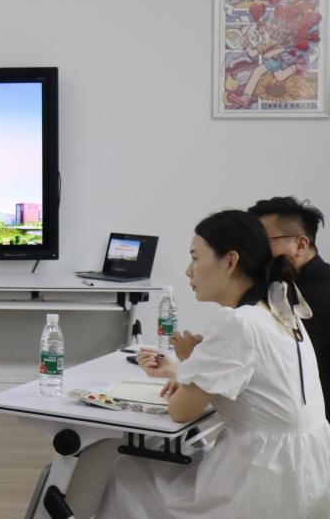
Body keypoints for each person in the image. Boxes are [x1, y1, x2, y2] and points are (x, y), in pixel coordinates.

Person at [96, 210, 330, 519]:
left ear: (230, 261)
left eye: (195, 258)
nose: (188, 271)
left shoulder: (237, 322)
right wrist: (190, 365)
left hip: (259, 482)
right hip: (306, 474)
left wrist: (189, 366)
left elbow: (181, 411)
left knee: (129, 470)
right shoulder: (283, 310)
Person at [248, 196, 330, 417]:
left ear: (301, 245)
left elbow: (271, 363)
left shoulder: (315, 295)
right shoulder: (284, 286)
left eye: (262, 242)